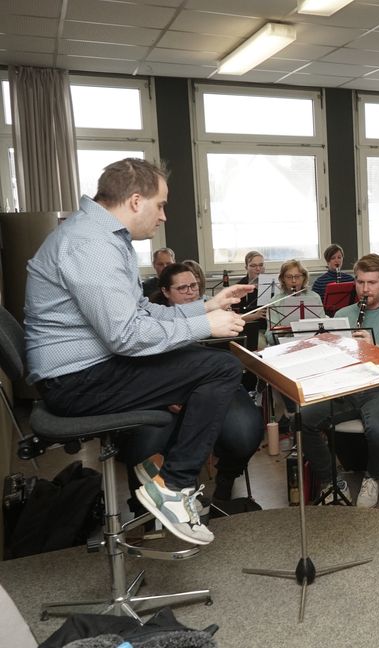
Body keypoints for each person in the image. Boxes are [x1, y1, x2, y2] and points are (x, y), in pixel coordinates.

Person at [24, 158, 250, 546]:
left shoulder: (103, 237)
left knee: (209, 365)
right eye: (160, 205)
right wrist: (205, 327)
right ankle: (173, 486)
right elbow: (126, 336)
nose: (163, 216)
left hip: (86, 370)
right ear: (134, 201)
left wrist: (206, 307)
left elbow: (141, 312)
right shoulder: (91, 245)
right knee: (221, 368)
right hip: (76, 382)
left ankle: (159, 471)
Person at [133, 261, 262, 513]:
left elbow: (233, 357)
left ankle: (224, 485)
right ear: (165, 292)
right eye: (183, 288)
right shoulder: (154, 318)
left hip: (218, 385)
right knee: (145, 445)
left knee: (246, 432)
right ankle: (147, 508)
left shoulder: (214, 310)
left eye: (194, 286)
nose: (191, 292)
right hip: (169, 390)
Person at [302, 254, 379, 508]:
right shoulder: (343, 314)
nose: (365, 289)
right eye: (360, 282)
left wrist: (375, 349)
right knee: (302, 419)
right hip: (346, 387)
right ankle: (331, 481)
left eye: (371, 283)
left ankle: (373, 477)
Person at [267, 259, 323, 342]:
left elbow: (323, 327)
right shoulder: (275, 301)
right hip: (286, 343)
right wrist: (282, 331)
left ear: (304, 278)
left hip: (311, 341)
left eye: (297, 276)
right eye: (289, 277)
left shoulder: (315, 297)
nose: (293, 281)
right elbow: (270, 338)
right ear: (283, 279)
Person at [235, 250, 268, 351]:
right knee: (261, 345)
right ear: (246, 267)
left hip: (270, 327)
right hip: (252, 329)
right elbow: (234, 317)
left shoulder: (272, 284)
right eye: (253, 266)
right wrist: (255, 316)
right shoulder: (239, 288)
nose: (258, 269)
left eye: (261, 265)